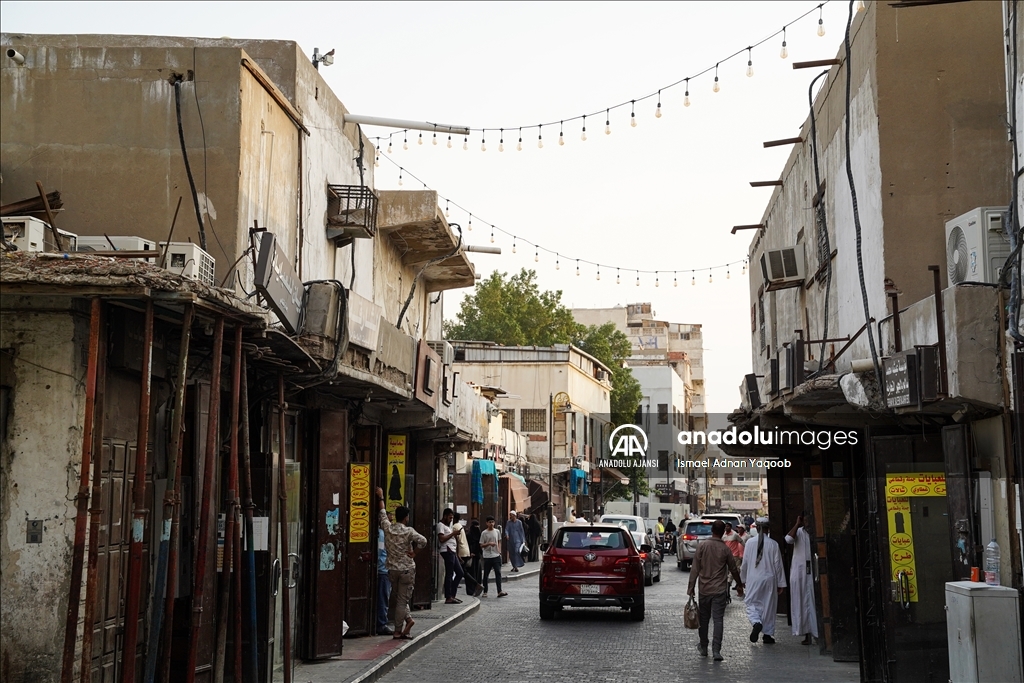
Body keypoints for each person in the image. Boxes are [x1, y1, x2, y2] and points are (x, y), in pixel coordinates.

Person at [687, 520, 744, 661]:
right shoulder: (725, 549)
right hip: (719, 590)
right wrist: (739, 584)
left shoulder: (702, 546)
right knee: (718, 620)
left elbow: (695, 569)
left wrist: (691, 587)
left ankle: (704, 647)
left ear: (712, 530)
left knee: (704, 619)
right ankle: (716, 650)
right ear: (723, 532)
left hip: (704, 589)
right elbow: (733, 568)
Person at [376, 487, 427, 640]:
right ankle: (398, 630)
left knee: (399, 598)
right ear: (406, 518)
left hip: (392, 570)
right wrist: (414, 553)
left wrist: (381, 497)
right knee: (402, 601)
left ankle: (409, 620)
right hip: (406, 570)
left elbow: (382, 514)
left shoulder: (388, 528)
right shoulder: (409, 531)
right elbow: (423, 541)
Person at [740, 517, 787, 645]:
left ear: (757, 528)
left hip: (754, 578)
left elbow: (744, 563)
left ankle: (756, 622)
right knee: (769, 606)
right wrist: (781, 583)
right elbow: (778, 565)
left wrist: (742, 579)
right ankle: (767, 634)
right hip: (769, 578)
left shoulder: (749, 543)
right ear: (768, 529)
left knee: (751, 603)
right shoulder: (773, 544)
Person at [786, 513, 819, 645]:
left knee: (813, 601)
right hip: (800, 572)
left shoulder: (817, 532)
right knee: (802, 602)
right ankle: (807, 634)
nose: (806, 522)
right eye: (804, 520)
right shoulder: (798, 532)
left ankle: (817, 633)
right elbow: (788, 539)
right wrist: (796, 524)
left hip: (814, 571)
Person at [437, 508, 465, 604]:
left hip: (452, 552)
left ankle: (452, 595)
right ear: (445, 516)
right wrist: (453, 533)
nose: (450, 519)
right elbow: (441, 539)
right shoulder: (440, 525)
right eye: (449, 517)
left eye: (452, 518)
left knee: (460, 572)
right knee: (449, 573)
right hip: (447, 551)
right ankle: (448, 596)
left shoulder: (448, 527)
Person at [480, 516, 507, 597]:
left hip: (496, 555)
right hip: (487, 556)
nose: (491, 523)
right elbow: (481, 545)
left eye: (492, 522)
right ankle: (485, 591)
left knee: (498, 573)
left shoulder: (497, 531)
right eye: (489, 522)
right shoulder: (484, 533)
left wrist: (499, 550)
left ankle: (499, 591)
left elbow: (499, 541)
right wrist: (488, 544)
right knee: (486, 574)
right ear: (487, 523)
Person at [453, 512, 478, 597]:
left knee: (462, 572)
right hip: (465, 551)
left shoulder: (455, 527)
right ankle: (472, 588)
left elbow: (456, 541)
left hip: (461, 552)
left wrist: (457, 554)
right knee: (463, 571)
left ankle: (476, 584)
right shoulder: (460, 526)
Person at [376, 519, 393, 635]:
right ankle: (382, 623)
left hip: (384, 569)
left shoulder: (383, 533)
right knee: (383, 598)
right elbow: (380, 552)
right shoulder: (381, 534)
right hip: (383, 569)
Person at [467, 519, 483, 596]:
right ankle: (471, 589)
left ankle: (476, 587)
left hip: (477, 557)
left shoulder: (480, 535)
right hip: (471, 556)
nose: (476, 528)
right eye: (475, 526)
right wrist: (470, 552)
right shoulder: (469, 535)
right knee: (471, 572)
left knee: (477, 573)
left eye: (477, 526)